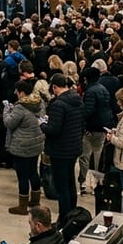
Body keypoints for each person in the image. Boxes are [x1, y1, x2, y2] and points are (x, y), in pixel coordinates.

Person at [41, 73, 85, 222]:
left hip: (60, 149)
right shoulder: (77, 100)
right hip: (74, 147)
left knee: (61, 186)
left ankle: (64, 216)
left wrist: (42, 124)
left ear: (54, 87)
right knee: (70, 182)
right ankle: (72, 212)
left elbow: (53, 130)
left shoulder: (58, 104)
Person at [4, 79, 45, 214]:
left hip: (21, 146)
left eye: (17, 91)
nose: (15, 93)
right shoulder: (38, 102)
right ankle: (35, 200)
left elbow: (9, 123)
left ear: (21, 93)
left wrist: (6, 111)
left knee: (22, 176)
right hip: (35, 143)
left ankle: (22, 207)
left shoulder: (20, 107)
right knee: (33, 172)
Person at [78, 66, 115, 195]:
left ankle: (84, 182)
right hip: (102, 127)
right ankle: (97, 182)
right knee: (98, 156)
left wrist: (84, 126)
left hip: (90, 129)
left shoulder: (90, 92)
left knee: (85, 157)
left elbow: (87, 111)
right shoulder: (103, 89)